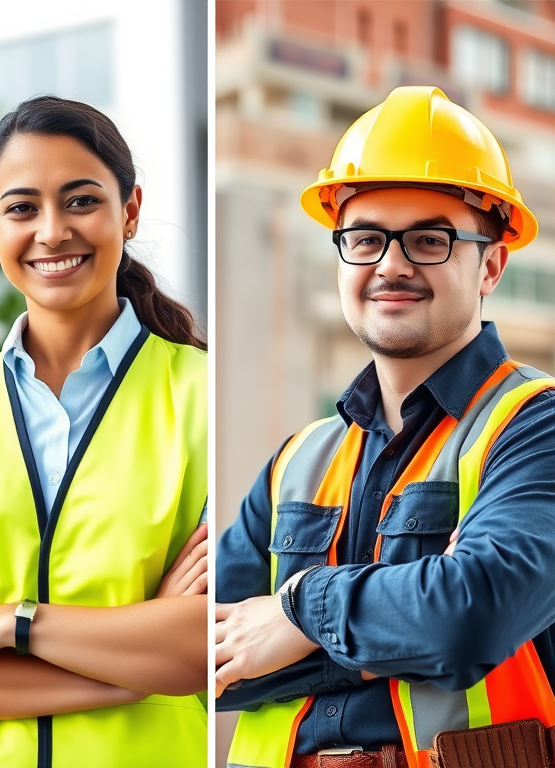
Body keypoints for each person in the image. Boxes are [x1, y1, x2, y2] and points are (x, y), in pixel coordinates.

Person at [215, 85, 555, 768]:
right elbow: (203, 652)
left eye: (430, 239)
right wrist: (398, 630)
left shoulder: (534, 427)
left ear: (490, 263)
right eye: (366, 238)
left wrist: (298, 611)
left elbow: (470, 618)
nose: (391, 264)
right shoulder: (299, 461)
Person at [0, 96, 208, 768]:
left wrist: (0, 624)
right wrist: (136, 664)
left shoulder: (207, 399)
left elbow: (205, 645)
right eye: (22, 208)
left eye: (81, 200)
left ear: (131, 210)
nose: (52, 231)